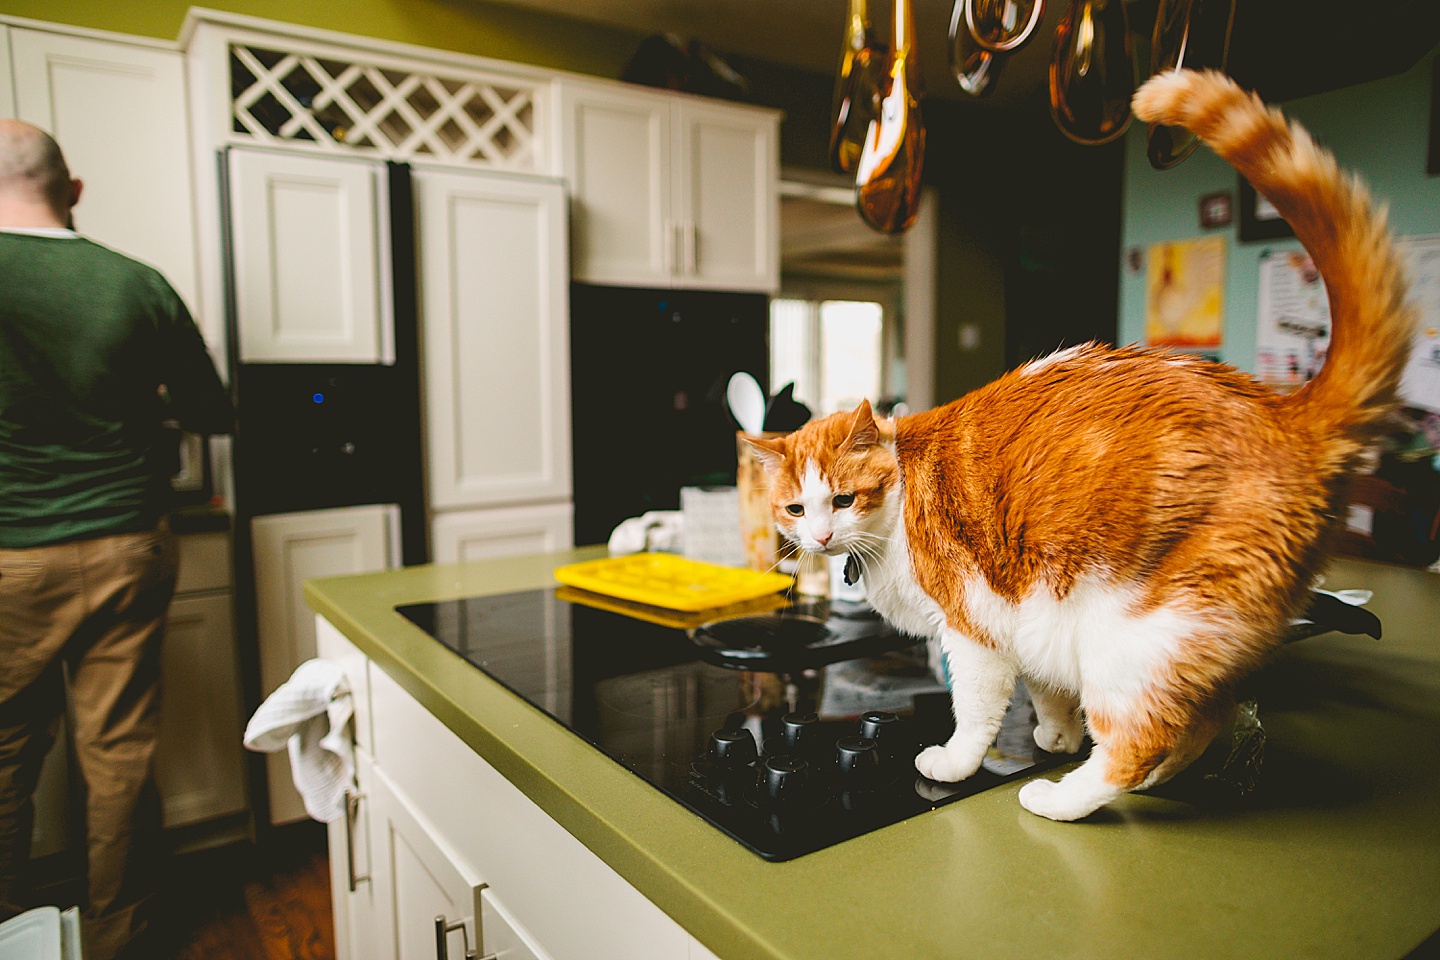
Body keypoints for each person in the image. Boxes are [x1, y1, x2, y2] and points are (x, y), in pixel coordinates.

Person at [0, 120, 234, 960]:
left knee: (3, 759)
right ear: (74, 190)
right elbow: (213, 412)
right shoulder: (137, 284)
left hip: (8, 560)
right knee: (120, 757)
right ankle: (118, 943)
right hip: (126, 544)